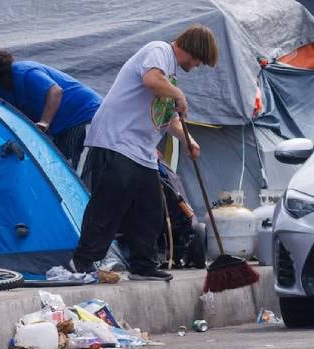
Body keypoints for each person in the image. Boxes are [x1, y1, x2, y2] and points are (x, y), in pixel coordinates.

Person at [70, 25, 219, 282]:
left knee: (150, 211)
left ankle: (143, 265)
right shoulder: (159, 51)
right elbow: (150, 80)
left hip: (142, 151)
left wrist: (188, 140)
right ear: (194, 50)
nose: (196, 66)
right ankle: (81, 260)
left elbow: (170, 120)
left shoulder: (169, 76)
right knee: (109, 205)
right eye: (198, 61)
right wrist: (179, 94)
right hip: (116, 141)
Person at [0, 44, 101, 168]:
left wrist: (45, 121)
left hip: (84, 117)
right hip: (61, 130)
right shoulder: (2, 92)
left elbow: (55, 91)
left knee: (80, 168)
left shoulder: (23, 71)